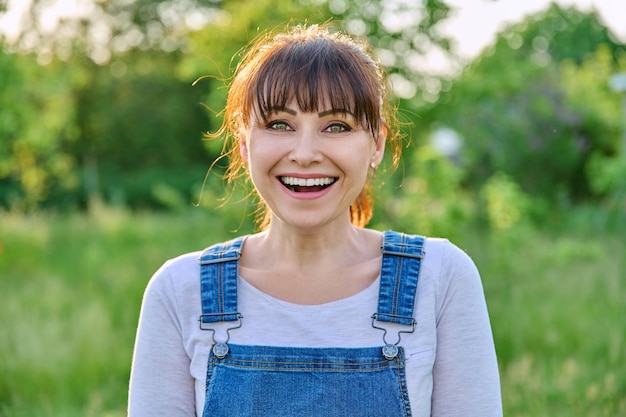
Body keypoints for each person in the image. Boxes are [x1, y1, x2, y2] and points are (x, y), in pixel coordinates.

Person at [128, 24, 502, 416]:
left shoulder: (439, 278)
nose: (305, 153)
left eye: (336, 126)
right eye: (279, 125)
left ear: (377, 144)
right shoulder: (179, 291)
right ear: (243, 142)